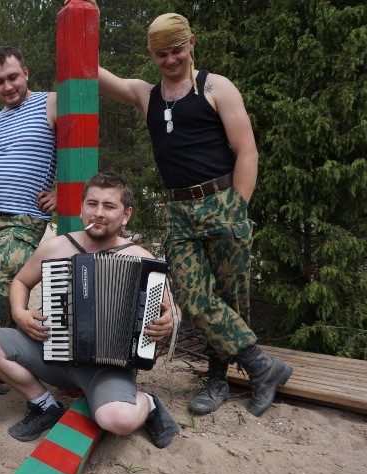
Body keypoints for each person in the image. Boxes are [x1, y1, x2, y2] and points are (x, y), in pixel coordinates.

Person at [89, 7, 293, 417]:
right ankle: (262, 366)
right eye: (161, 54)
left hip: (223, 201)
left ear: (191, 44)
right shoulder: (145, 94)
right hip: (180, 209)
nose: (170, 60)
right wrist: (78, 20)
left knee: (229, 298)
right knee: (196, 299)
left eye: (177, 50)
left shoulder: (216, 88)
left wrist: (238, 207)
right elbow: (94, 73)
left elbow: (247, 149)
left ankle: (218, 379)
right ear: (152, 55)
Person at [0, 172, 180, 448]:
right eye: (92, 204)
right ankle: (44, 404)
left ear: (126, 214)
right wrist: (20, 313)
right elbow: (21, 282)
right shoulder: (57, 247)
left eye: (109, 206)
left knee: (117, 420)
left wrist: (168, 320)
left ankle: (149, 404)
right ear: (81, 208)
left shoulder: (142, 260)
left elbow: (171, 310)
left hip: (109, 368)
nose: (98, 213)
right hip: (54, 353)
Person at [0, 46, 57, 329]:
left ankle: (22, 343)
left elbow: (80, 146)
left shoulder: (52, 102)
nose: (7, 86)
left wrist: (64, 194)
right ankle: (11, 348)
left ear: (25, 73)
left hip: (24, 218)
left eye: (13, 77)